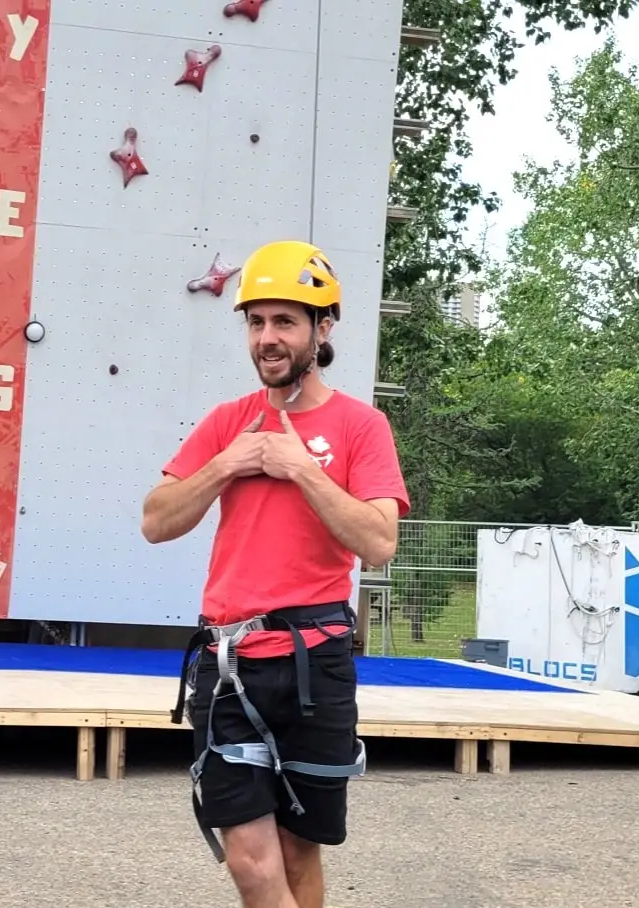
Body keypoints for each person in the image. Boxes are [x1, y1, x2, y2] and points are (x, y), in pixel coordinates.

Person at [141, 240, 410, 908]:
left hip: (316, 663)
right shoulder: (228, 423)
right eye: (256, 323)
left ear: (323, 328)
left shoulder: (360, 426)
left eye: (285, 322)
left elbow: (378, 542)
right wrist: (227, 464)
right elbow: (156, 519)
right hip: (232, 663)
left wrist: (299, 467)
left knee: (297, 852)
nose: (268, 338)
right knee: (250, 861)